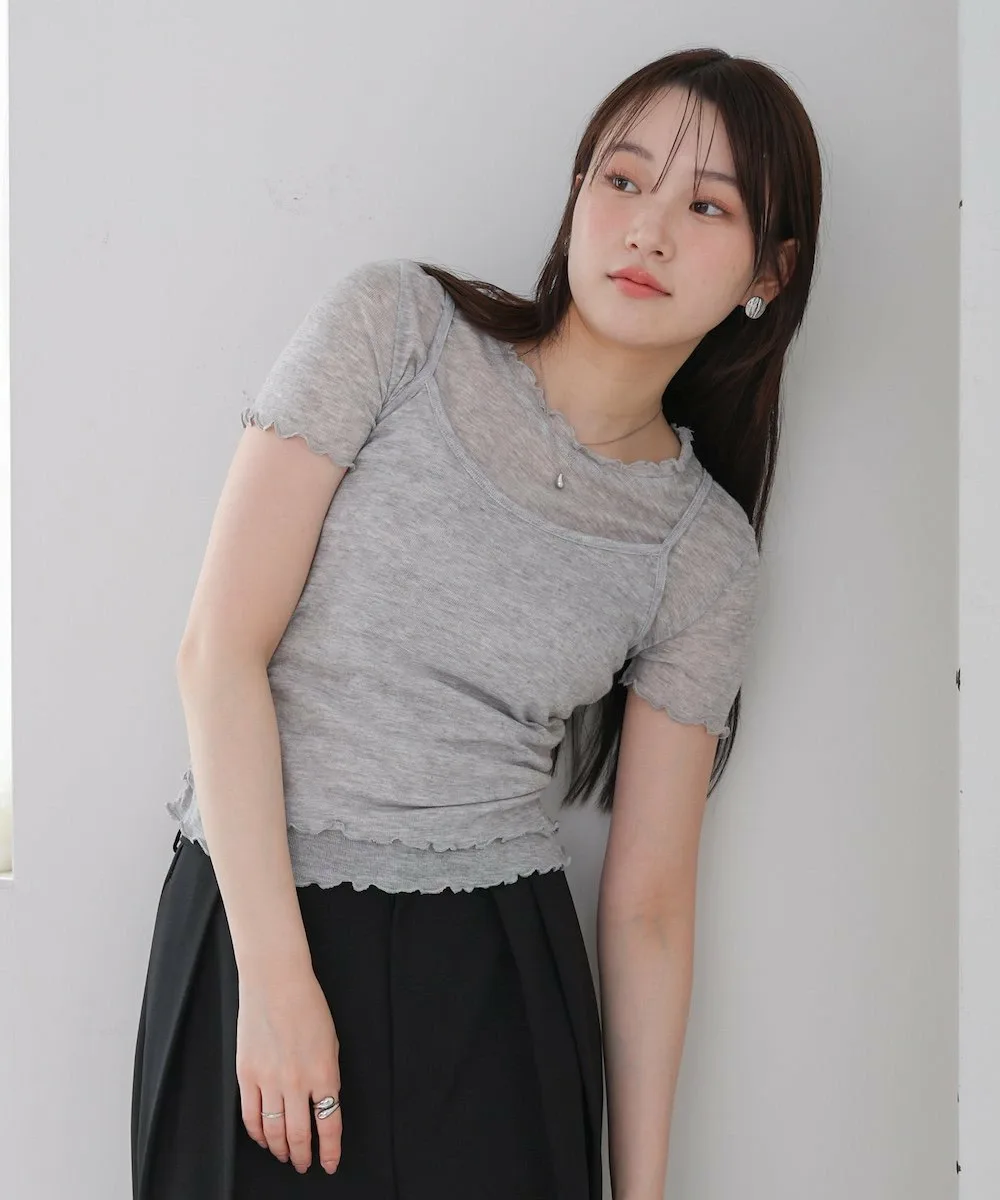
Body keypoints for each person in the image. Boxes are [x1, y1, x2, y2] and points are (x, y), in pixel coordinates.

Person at [130, 45, 822, 1200]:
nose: (648, 230)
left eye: (707, 207)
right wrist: (278, 984)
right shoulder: (394, 327)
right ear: (578, 193)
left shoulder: (701, 549)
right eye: (623, 180)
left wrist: (640, 1194)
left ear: (769, 271)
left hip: (495, 983)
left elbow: (649, 907)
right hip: (254, 929)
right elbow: (218, 652)